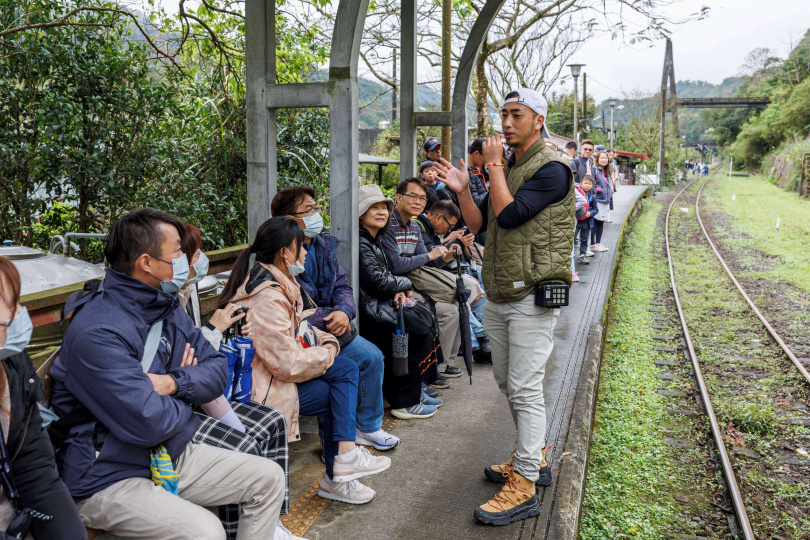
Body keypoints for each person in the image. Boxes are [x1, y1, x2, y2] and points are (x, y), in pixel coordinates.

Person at [50, 208, 285, 539]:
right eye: (177, 250)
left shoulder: (165, 305)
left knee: (268, 478)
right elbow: (148, 422)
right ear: (147, 262)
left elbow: (216, 370)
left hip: (164, 451)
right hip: (105, 473)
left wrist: (173, 382)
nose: (185, 259)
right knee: (206, 531)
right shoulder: (98, 330)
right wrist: (188, 396)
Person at [436, 87, 574, 526]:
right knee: (507, 382)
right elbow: (481, 224)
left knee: (526, 385)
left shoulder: (554, 169)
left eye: (516, 115)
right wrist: (463, 191)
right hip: (501, 290)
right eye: (504, 114)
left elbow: (513, 216)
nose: (506, 123)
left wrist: (493, 166)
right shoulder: (510, 166)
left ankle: (526, 483)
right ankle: (530, 456)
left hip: (533, 292)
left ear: (539, 119)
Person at [218, 217, 391, 505]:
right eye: (301, 247)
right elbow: (288, 364)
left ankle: (343, 464)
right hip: (262, 390)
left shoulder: (280, 282)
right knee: (342, 379)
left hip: (275, 378)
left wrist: (326, 340)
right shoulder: (267, 297)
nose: (306, 253)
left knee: (345, 372)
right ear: (285, 253)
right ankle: (341, 467)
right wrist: (330, 349)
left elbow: (303, 330)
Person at [177, 223, 296, 540]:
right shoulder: (165, 302)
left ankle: (270, 524)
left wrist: (224, 334)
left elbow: (198, 355)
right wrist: (214, 331)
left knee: (272, 420)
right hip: (187, 405)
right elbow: (187, 364)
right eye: (196, 252)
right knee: (242, 445)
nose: (202, 259)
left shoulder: (185, 293)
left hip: (205, 393)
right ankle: (238, 532)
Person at [270, 186, 399, 451]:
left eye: (316, 208)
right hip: (305, 333)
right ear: (289, 219)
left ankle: (368, 427)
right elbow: (295, 305)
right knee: (343, 370)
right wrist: (331, 317)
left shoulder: (322, 243)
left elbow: (342, 284)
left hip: (333, 325)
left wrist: (344, 311)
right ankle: (337, 444)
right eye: (309, 210)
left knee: (372, 357)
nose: (316, 215)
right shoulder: (280, 252)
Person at [0, 257, 86, 539]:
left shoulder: (12, 364)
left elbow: (32, 464)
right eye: (9, 312)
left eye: (17, 303)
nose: (19, 316)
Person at [357, 184, 441, 419]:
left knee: (423, 321)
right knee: (414, 332)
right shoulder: (362, 242)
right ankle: (404, 401)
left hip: (379, 305)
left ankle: (415, 391)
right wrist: (404, 285)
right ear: (361, 214)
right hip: (369, 313)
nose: (381, 212)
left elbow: (385, 278)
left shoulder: (374, 239)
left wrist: (399, 289)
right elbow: (379, 282)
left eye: (384, 207)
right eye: (374, 208)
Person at [380, 177, 463, 383]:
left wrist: (447, 255)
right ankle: (424, 373)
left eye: (423, 198)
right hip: (393, 287)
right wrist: (428, 256)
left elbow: (426, 262)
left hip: (412, 283)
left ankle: (441, 365)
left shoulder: (415, 226)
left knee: (456, 307)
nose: (418, 202)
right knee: (434, 313)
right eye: (413, 196)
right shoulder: (388, 224)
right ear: (398, 198)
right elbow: (396, 265)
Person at [590, 151, 612, 252]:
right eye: (602, 158)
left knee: (601, 222)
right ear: (598, 159)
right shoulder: (594, 170)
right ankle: (592, 244)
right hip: (597, 199)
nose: (604, 160)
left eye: (605, 158)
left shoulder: (607, 171)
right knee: (595, 221)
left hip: (605, 200)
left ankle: (598, 243)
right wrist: (598, 189)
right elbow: (591, 182)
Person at [576, 175, 598, 265]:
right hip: (576, 220)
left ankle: (582, 255)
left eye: (589, 184)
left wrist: (591, 213)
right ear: (580, 184)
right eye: (585, 183)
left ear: (592, 186)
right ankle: (570, 255)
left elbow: (596, 210)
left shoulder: (592, 198)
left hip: (587, 221)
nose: (587, 185)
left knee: (584, 239)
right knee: (572, 238)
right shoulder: (577, 195)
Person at [467, 138, 490, 207]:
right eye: (486, 157)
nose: (486, 161)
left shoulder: (475, 170)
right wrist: (492, 191)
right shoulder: (468, 173)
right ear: (476, 153)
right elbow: (476, 202)